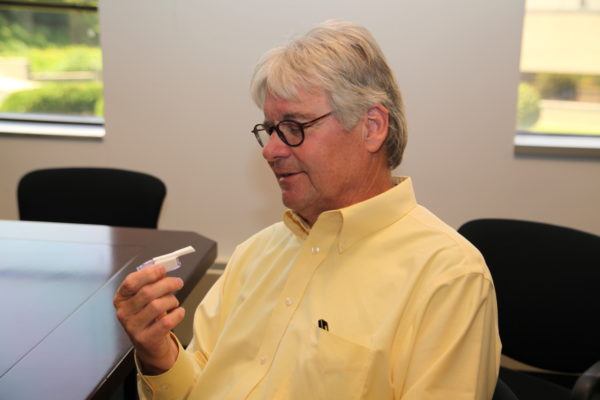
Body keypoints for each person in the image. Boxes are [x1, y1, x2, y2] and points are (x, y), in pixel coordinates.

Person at [114, 20, 501, 399]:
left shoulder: (448, 277)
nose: (270, 150)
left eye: (295, 126)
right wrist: (159, 354)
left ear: (372, 127)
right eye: (270, 129)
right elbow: (199, 384)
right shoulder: (256, 254)